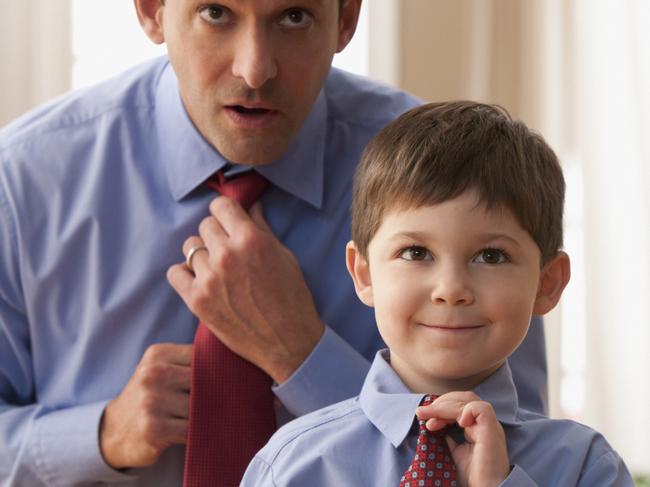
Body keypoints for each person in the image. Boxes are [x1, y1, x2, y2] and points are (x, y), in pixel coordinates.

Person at [0, 1, 545, 486]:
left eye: (294, 17)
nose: (255, 69)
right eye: (216, 13)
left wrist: (302, 355)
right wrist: (101, 436)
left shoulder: (461, 178)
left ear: (346, 19)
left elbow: (529, 459)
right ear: (151, 11)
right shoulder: (23, 180)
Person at [241, 101, 633, 486]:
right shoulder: (291, 467)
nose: (451, 290)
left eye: (491, 256)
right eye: (415, 252)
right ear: (364, 273)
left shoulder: (587, 468)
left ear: (547, 284)